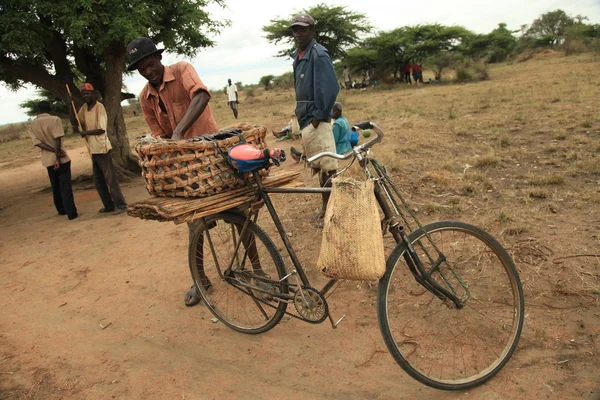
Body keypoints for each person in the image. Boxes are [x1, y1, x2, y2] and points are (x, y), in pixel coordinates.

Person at [126, 36, 220, 307]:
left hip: (210, 153)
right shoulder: (145, 98)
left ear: (158, 58)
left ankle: (256, 270)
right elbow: (160, 135)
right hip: (185, 167)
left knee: (240, 212)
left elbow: (201, 94)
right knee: (194, 224)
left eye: (149, 64)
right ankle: (200, 278)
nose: (147, 71)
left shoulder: (181, 71)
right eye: (141, 68)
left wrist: (179, 131)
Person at [288, 13, 339, 224]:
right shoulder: (300, 56)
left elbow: (330, 88)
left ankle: (331, 212)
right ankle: (326, 208)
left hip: (316, 120)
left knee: (328, 167)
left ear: (312, 30)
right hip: (306, 119)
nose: (298, 33)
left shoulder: (318, 54)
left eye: (302, 29)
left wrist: (318, 117)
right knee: (319, 166)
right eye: (295, 29)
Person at [74, 83, 127, 215]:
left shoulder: (99, 107)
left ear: (93, 93)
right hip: (93, 150)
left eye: (87, 93)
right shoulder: (84, 108)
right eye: (83, 94)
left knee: (110, 179)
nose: (85, 96)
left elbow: (101, 129)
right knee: (98, 181)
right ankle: (108, 205)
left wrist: (85, 133)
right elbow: (75, 120)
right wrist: (71, 105)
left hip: (102, 148)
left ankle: (121, 204)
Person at [29, 101, 78, 220]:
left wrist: (51, 151)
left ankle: (61, 210)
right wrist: (57, 156)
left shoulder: (33, 124)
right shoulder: (55, 119)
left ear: (38, 110)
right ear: (50, 109)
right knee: (65, 186)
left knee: (55, 185)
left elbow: (38, 143)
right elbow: (57, 140)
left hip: (47, 160)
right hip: (61, 158)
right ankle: (71, 213)